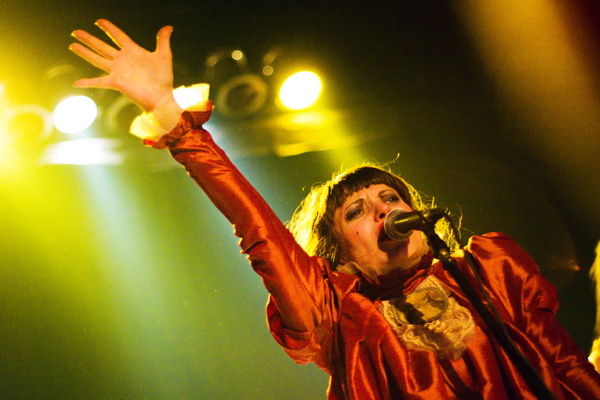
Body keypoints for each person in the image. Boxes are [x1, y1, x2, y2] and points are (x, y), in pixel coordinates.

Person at [69, 20, 600, 399]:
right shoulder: (338, 313)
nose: (383, 211)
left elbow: (567, 365)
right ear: (338, 254)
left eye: (391, 198)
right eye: (356, 212)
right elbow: (258, 229)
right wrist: (171, 118)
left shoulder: (488, 271)